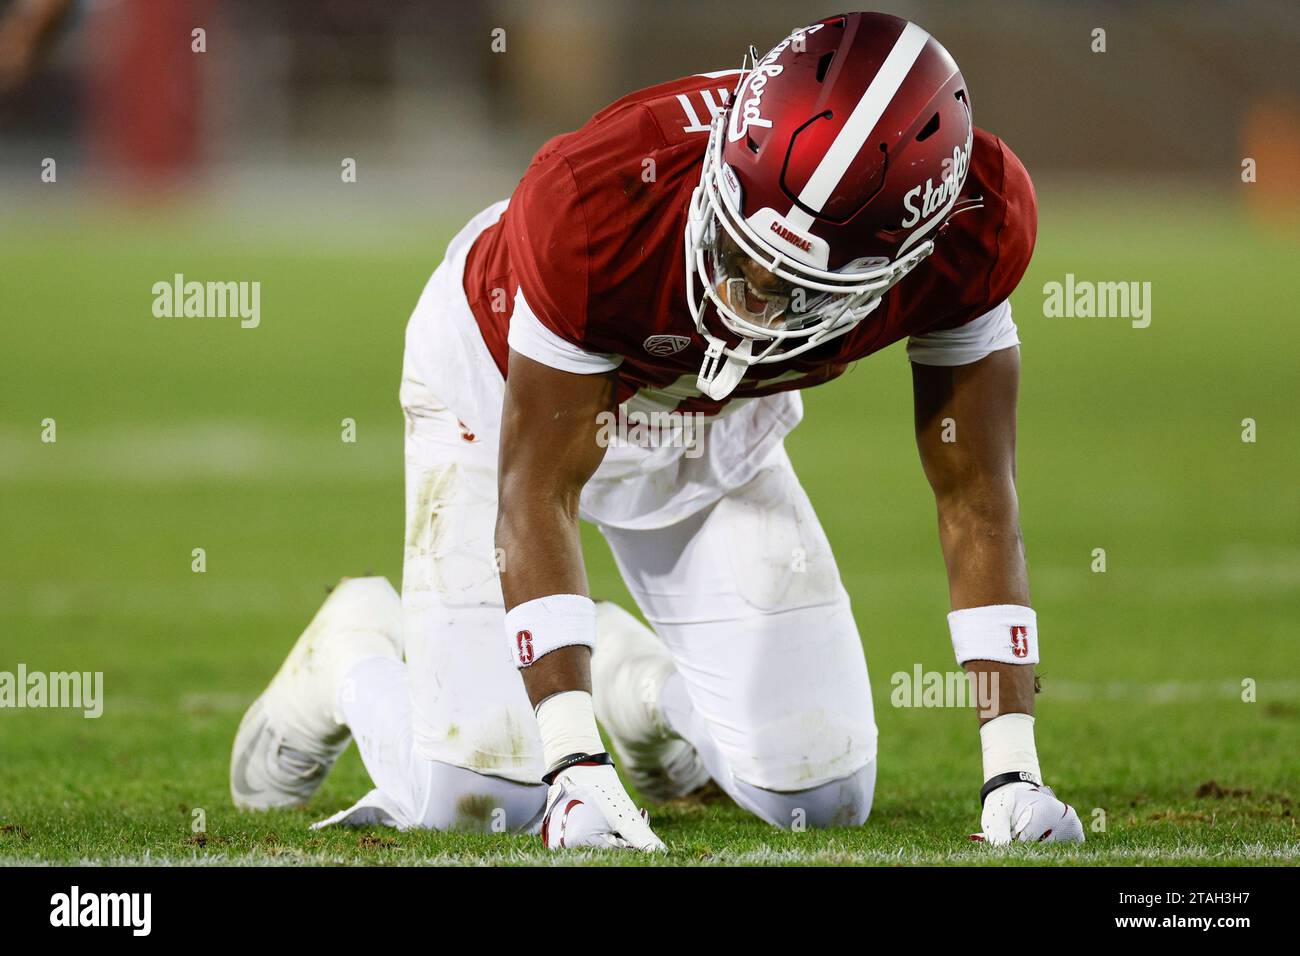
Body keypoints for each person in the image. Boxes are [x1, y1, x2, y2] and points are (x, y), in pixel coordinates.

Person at [230, 11, 1084, 850]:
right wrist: (573, 768)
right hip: (505, 387)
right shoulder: (595, 205)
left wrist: (1014, 773)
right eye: (736, 239)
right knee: (483, 798)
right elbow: (538, 491)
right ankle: (356, 643)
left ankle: (629, 687)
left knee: (816, 796)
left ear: (905, 256)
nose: (741, 289)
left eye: (786, 287)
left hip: (710, 421)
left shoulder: (976, 226)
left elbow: (974, 491)